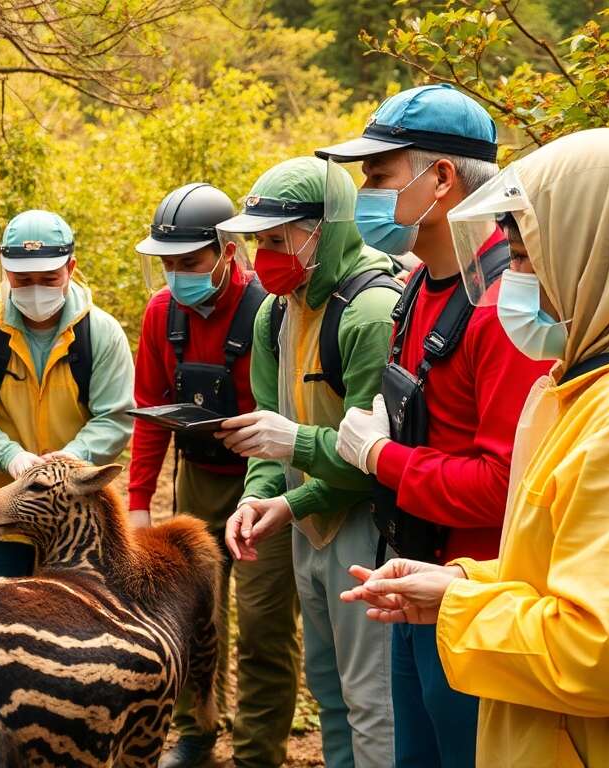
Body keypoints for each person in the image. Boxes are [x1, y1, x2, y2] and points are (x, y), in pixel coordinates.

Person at [342, 127, 609, 767]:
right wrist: (465, 577)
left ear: (599, 253)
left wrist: (460, 606)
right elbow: (582, 570)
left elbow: (601, 653)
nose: (508, 282)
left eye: (521, 256)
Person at [306, 84, 551, 768]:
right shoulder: (418, 283)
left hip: (474, 605)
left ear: (441, 179)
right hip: (414, 584)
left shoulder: (503, 309)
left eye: (379, 175)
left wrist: (380, 457)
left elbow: (506, 487)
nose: (365, 194)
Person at [217, 157, 399, 768]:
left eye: (278, 240)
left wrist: (291, 485)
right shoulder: (277, 309)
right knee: (328, 688)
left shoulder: (371, 312)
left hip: (367, 527)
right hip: (306, 526)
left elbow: (374, 458)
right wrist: (257, 497)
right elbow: (269, 420)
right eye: (258, 242)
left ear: (325, 229)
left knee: (373, 700)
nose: (264, 256)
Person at [127, 183, 300, 768]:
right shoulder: (162, 314)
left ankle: (256, 753)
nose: (179, 276)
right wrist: (139, 502)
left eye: (191, 262)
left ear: (227, 252)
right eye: (169, 265)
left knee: (262, 623)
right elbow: (150, 410)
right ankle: (195, 734)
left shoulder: (269, 309)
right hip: (198, 478)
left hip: (266, 479)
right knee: (192, 615)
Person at [0, 209, 134, 582]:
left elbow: (115, 417)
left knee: (76, 609)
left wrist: (72, 460)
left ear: (71, 267)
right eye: (23, 279)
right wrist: (10, 457)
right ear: (5, 270)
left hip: (74, 518)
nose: (35, 289)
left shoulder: (101, 334)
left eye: (48, 279)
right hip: (0, 510)